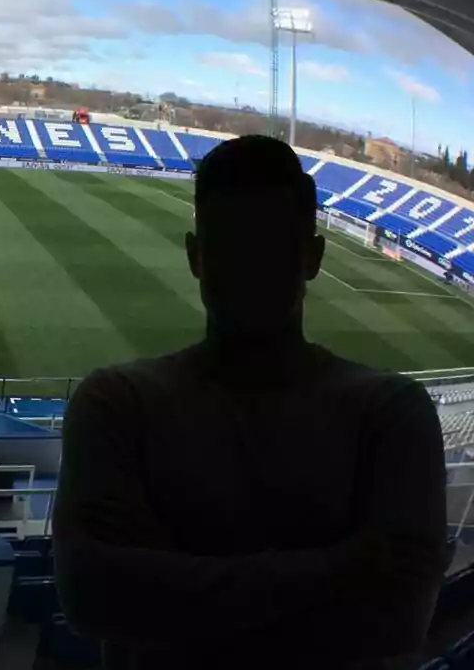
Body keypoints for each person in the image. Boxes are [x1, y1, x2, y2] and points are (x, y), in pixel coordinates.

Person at [53, 135, 447, 670]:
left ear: (312, 257)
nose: (251, 266)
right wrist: (341, 568)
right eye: (233, 245)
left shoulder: (392, 412)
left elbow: (395, 624)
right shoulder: (116, 404)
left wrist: (171, 586)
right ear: (196, 256)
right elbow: (94, 598)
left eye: (271, 246)